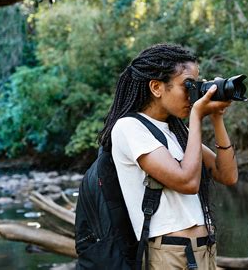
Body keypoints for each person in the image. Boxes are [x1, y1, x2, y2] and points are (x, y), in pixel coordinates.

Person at [97, 43, 238, 269]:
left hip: (205, 248)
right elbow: (187, 182)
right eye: (187, 86)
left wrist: (217, 117)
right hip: (169, 253)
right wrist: (197, 115)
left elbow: (228, 175)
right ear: (156, 87)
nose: (193, 95)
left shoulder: (177, 132)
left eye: (197, 85)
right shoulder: (129, 128)